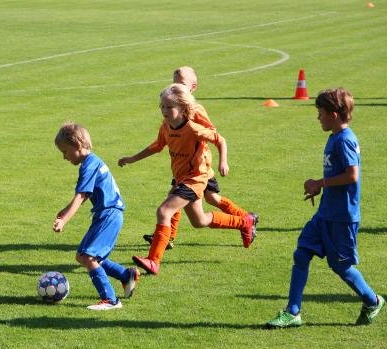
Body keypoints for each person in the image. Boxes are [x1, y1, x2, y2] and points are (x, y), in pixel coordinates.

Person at [266, 88, 384, 328]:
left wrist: (319, 183)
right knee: (301, 253)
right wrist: (320, 189)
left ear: (333, 115)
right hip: (325, 212)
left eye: (320, 113)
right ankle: (293, 312)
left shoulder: (345, 140)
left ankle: (372, 301)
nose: (318, 117)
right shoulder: (335, 137)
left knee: (341, 266)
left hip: (342, 217)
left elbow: (352, 175)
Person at [118, 84, 257, 275]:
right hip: (181, 177)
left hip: (195, 178)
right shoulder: (166, 126)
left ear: (183, 108)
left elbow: (220, 140)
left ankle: (153, 261)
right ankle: (244, 222)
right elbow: (157, 146)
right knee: (199, 221)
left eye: (169, 107)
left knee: (164, 211)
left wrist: (223, 162)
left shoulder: (193, 128)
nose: (164, 110)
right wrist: (132, 158)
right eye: (162, 106)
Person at [143, 66, 256, 250]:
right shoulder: (171, 112)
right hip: (187, 163)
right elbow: (162, 141)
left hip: (199, 165)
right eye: (174, 83)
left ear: (193, 87)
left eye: (181, 83)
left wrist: (196, 141)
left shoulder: (195, 110)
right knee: (207, 199)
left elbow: (212, 133)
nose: (176, 87)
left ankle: (245, 219)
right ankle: (246, 219)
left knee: (187, 197)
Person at [53, 122, 139, 310]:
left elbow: (81, 195)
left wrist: (64, 220)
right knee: (81, 256)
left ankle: (110, 300)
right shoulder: (92, 162)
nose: (64, 157)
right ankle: (126, 275)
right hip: (107, 214)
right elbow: (86, 195)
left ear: (77, 146)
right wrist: (65, 210)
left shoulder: (89, 166)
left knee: (89, 257)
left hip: (108, 214)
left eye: (65, 152)